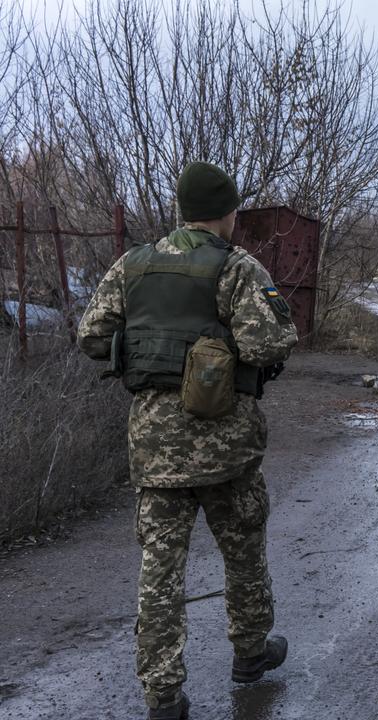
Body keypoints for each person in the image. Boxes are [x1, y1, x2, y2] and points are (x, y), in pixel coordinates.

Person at [78, 162, 297, 719]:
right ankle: (250, 653)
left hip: (155, 447)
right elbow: (268, 343)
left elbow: (91, 337)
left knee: (160, 569)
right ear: (228, 213)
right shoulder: (237, 267)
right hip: (226, 445)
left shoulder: (134, 264)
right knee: (243, 549)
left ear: (181, 210)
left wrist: (147, 349)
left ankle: (163, 694)